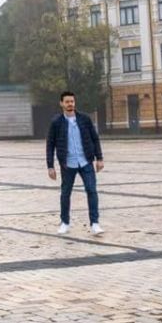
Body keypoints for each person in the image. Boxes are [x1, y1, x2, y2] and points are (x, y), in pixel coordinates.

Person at [46, 91, 105, 236]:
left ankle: (95, 223)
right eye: (67, 102)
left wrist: (99, 158)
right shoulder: (56, 122)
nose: (70, 104)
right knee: (65, 193)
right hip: (68, 164)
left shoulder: (85, 119)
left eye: (72, 101)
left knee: (91, 190)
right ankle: (65, 223)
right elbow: (50, 144)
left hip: (85, 161)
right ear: (61, 104)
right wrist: (50, 166)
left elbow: (95, 138)